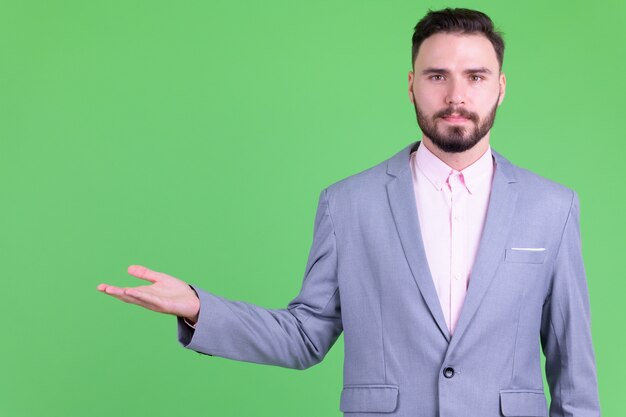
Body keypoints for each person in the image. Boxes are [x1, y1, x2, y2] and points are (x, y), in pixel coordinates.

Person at [97, 8, 601, 417]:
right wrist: (198, 307)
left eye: (475, 76)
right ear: (411, 85)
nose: (456, 96)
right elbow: (305, 336)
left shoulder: (552, 207)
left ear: (501, 86)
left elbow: (573, 372)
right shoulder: (348, 204)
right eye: (437, 76)